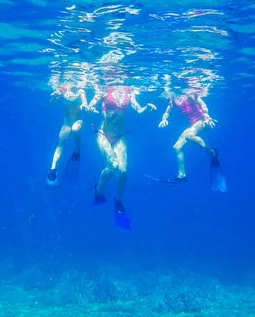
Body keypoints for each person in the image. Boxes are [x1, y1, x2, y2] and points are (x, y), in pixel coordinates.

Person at [88, 80, 157, 230]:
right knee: (112, 166)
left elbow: (138, 110)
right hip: (103, 134)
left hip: (120, 136)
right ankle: (98, 190)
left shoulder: (129, 92)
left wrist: (146, 109)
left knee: (124, 171)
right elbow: (90, 105)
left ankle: (118, 200)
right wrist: (88, 108)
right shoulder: (103, 89)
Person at [157, 79, 226, 191]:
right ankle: (182, 175)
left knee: (189, 135)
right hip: (193, 125)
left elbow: (202, 103)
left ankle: (212, 153)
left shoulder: (189, 95)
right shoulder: (173, 99)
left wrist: (207, 117)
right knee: (176, 147)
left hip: (203, 122)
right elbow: (167, 111)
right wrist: (163, 119)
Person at [46, 77, 96, 188]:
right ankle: (52, 168)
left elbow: (86, 107)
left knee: (75, 128)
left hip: (79, 120)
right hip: (66, 121)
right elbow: (52, 102)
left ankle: (77, 149)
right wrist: (55, 96)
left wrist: (88, 109)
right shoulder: (62, 89)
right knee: (61, 142)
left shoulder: (80, 91)